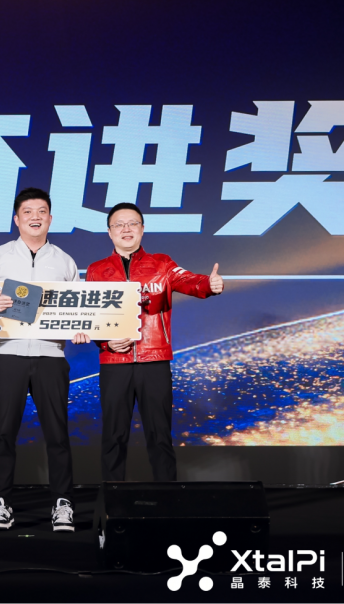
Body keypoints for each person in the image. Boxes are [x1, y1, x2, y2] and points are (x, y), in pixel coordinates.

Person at [0, 187, 89, 532]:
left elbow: (80, 308)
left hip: (51, 354)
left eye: (41, 211)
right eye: (28, 211)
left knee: (57, 433)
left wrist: (81, 327)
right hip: (6, 353)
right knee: (3, 432)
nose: (35, 217)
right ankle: (0, 503)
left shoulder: (64, 261)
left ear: (50, 218)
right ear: (17, 219)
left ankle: (63, 503)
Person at [86, 202, 223, 482]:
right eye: (119, 224)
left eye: (132, 223)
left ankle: (167, 500)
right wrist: (107, 343)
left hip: (155, 361)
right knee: (113, 436)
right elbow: (90, 317)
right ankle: (113, 501)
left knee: (160, 436)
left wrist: (209, 285)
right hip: (114, 363)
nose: (126, 229)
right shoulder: (96, 270)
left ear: (142, 229)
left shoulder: (162, 264)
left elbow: (190, 281)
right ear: (109, 232)